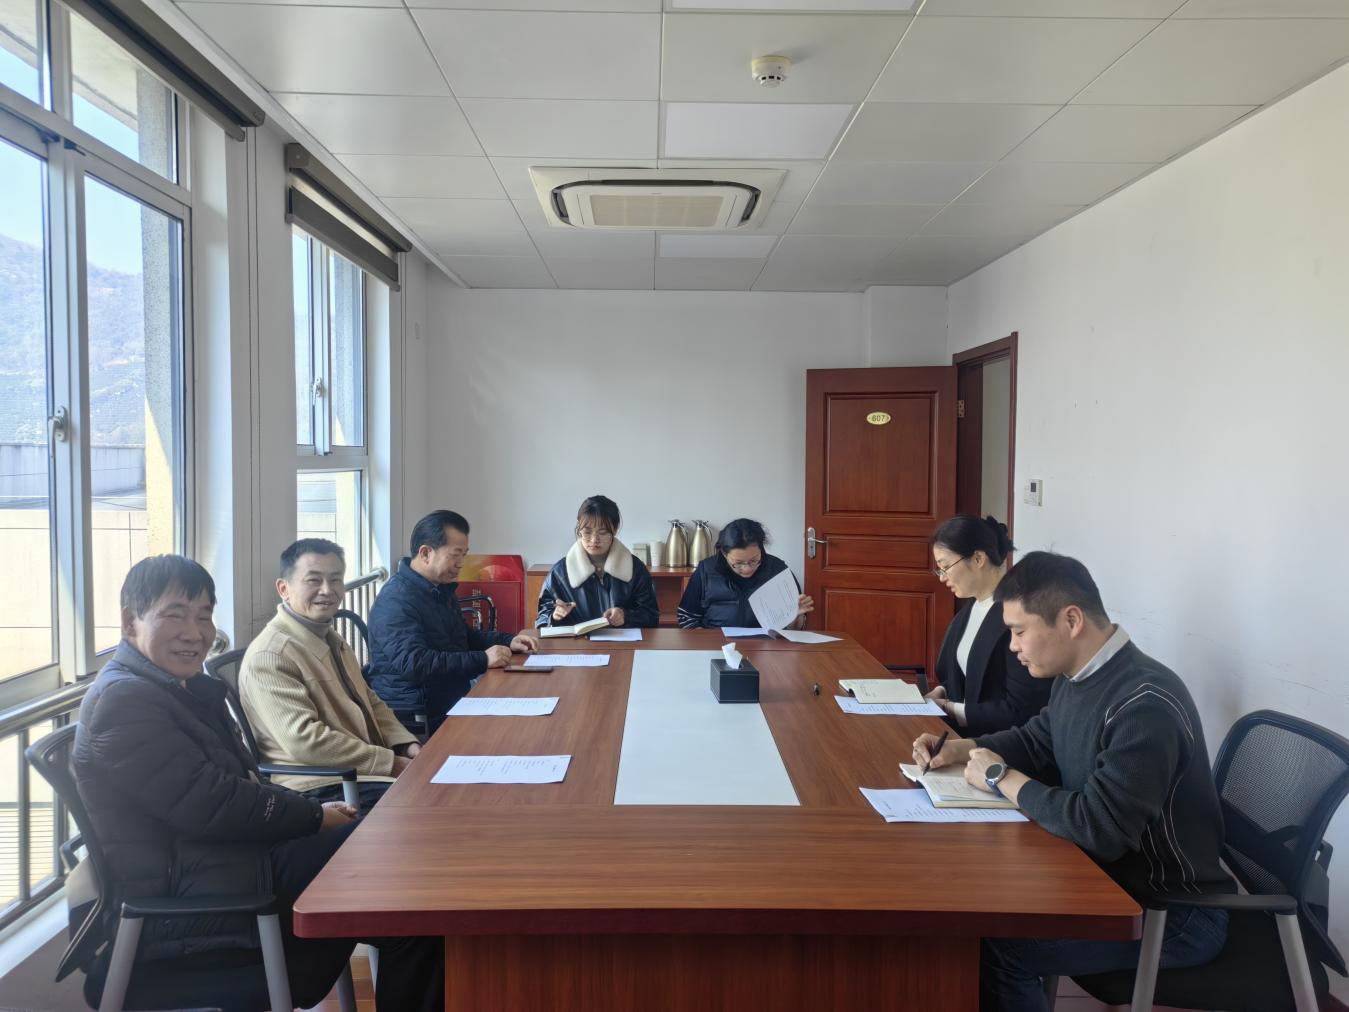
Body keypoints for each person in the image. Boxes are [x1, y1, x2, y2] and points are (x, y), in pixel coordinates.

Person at [73, 555, 442, 1012]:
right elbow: (211, 803)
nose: (194, 633)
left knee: (412, 905)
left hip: (226, 862)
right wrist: (312, 816)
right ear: (131, 621)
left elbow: (230, 787)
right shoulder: (125, 700)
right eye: (175, 615)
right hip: (198, 896)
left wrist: (312, 814)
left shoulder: (169, 687)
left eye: (204, 616)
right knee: (402, 855)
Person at [910, 551, 1231, 1012]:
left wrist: (1000, 776)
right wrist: (963, 748)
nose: (1013, 646)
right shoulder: (1076, 675)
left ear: (1071, 620)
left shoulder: (1143, 705)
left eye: (1019, 632)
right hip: (1105, 880)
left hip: (1171, 912)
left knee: (1002, 947)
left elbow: (1098, 827)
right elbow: (1038, 739)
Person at [238, 538, 421, 812]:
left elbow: (368, 699)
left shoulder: (330, 636)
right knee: (432, 803)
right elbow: (305, 741)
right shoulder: (271, 655)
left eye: (336, 580)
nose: (327, 590)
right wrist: (391, 763)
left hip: (361, 770)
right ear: (283, 589)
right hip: (320, 785)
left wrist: (406, 744)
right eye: (313, 580)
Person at [367, 509, 538, 734]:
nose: (461, 564)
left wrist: (509, 641)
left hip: (450, 697)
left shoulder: (438, 589)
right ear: (425, 553)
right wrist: (483, 659)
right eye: (455, 555)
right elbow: (415, 664)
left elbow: (464, 636)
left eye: (464, 555)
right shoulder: (395, 600)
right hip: (418, 715)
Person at [928, 515, 1050, 735]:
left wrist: (950, 708)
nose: (942, 577)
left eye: (945, 567)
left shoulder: (1019, 617)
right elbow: (961, 674)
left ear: (978, 558)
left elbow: (1022, 709)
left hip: (997, 743)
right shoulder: (972, 608)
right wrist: (940, 692)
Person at [536, 495, 660, 629]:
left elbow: (652, 616)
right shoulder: (560, 573)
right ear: (579, 529)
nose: (594, 540)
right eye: (587, 532)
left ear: (615, 529)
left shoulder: (634, 568)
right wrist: (554, 617)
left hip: (621, 642)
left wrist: (626, 616)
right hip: (578, 642)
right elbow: (541, 621)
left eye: (602, 532)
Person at [676, 518, 813, 629]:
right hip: (718, 645)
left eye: (754, 560)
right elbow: (686, 617)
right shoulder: (706, 570)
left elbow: (794, 630)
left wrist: (796, 616)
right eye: (738, 563)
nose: (747, 569)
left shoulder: (777, 571)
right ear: (724, 553)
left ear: (761, 548)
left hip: (766, 647)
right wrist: (708, 642)